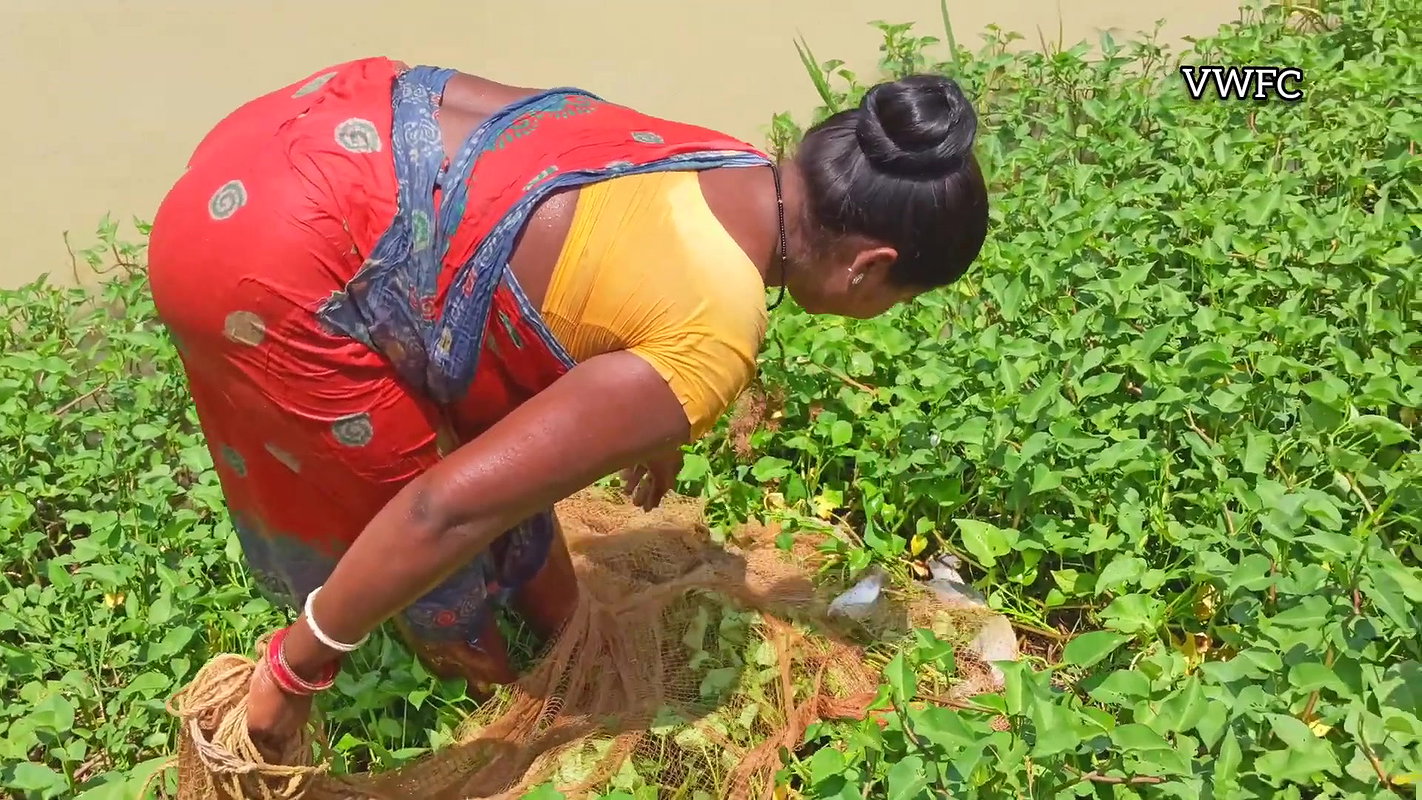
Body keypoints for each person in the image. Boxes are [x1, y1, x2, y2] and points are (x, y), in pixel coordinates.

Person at [145, 56, 988, 757]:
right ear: (868, 268)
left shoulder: (726, 162)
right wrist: (298, 674)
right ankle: (486, 691)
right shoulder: (713, 333)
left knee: (513, 505)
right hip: (261, 262)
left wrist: (651, 419)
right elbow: (444, 507)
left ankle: (546, 648)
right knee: (432, 531)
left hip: (304, 127)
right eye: (899, 299)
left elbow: (615, 260)